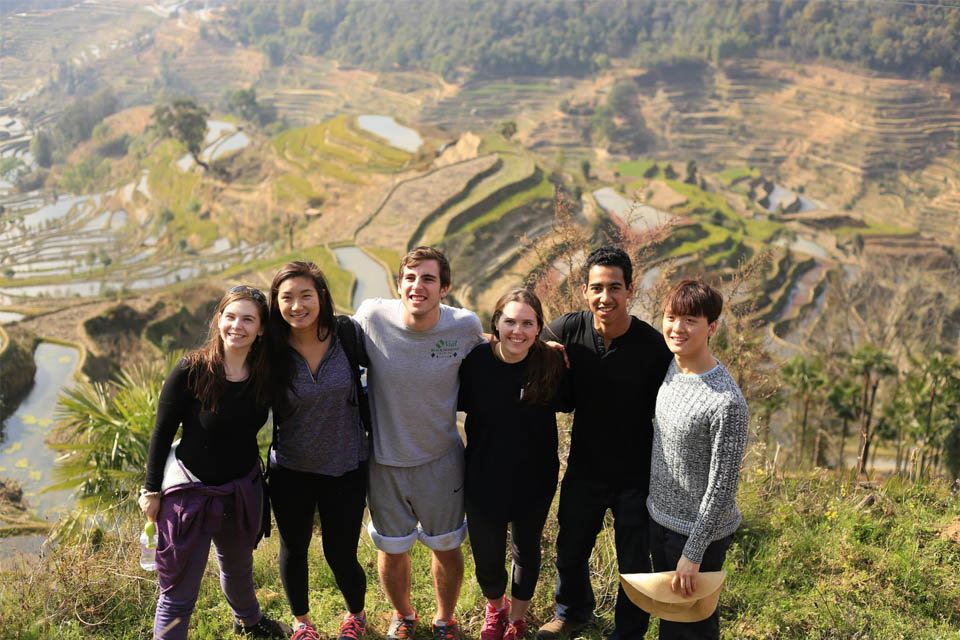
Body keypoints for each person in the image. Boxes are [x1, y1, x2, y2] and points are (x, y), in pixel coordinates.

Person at [538, 246, 673, 640]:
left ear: (630, 289)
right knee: (571, 547)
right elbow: (521, 343)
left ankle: (629, 631)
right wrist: (541, 353)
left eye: (615, 287)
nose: (605, 297)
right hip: (585, 466)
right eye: (597, 288)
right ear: (584, 291)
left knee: (633, 558)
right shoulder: (566, 330)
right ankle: (572, 612)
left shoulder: (651, 346)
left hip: (636, 471)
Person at [139, 286, 288, 640]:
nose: (237, 325)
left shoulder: (264, 372)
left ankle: (249, 621)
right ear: (219, 319)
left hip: (240, 490)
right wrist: (150, 490)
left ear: (261, 328)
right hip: (190, 496)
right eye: (230, 316)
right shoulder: (192, 369)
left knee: (238, 570)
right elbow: (162, 432)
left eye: (248, 319)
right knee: (178, 592)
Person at [353, 246, 484, 640]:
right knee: (392, 549)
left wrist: (543, 348)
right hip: (385, 461)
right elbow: (321, 337)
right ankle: (403, 614)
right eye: (410, 277)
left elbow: (501, 347)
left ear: (445, 287)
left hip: (441, 460)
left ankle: (445, 618)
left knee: (446, 545)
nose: (417, 286)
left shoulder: (463, 326)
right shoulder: (372, 317)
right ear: (398, 284)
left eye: (428, 278)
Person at [266, 261, 371, 640]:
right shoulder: (271, 349)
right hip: (291, 468)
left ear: (321, 296)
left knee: (340, 553)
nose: (297, 306)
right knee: (294, 549)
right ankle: (302, 624)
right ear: (275, 303)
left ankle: (355, 616)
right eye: (287, 297)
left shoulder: (346, 334)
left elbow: (391, 358)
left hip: (346, 465)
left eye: (305, 295)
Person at [459, 288, 571, 640]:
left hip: (534, 476)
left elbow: (569, 402)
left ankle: (517, 619)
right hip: (483, 474)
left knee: (526, 549)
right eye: (509, 321)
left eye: (527, 323)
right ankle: (496, 609)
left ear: (539, 328)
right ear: (496, 324)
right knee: (487, 556)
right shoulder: (476, 361)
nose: (517, 331)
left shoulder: (550, 362)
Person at [647, 280, 748, 640]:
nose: (678, 328)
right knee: (671, 621)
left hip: (695, 536)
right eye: (671, 317)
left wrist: (693, 552)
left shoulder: (727, 402)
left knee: (691, 628)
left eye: (690, 319)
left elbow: (722, 488)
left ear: (712, 327)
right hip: (659, 521)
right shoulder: (672, 368)